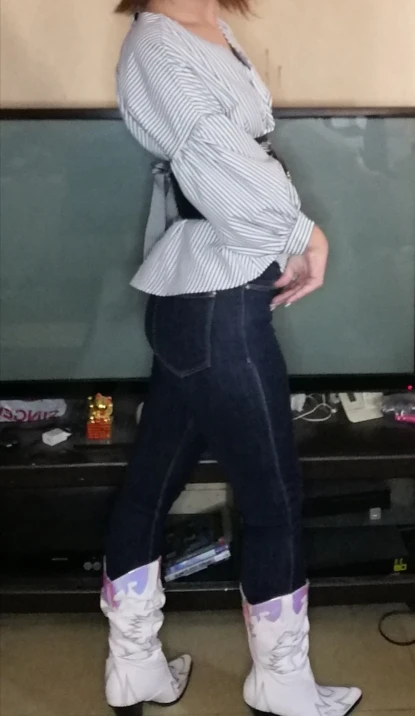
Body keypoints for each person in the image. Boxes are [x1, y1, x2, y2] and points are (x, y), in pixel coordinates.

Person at [101, 1, 362, 715]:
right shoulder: (157, 43)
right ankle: (281, 684)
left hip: (205, 299)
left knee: (150, 487)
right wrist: (303, 235)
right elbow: (218, 157)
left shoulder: (205, 26)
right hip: (218, 307)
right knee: (273, 502)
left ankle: (134, 668)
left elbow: (230, 155)